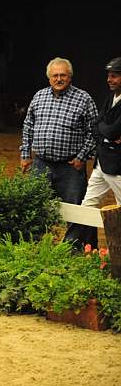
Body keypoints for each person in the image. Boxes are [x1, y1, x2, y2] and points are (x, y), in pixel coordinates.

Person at [19, 57, 97, 208]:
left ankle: (77, 233)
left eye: (63, 75)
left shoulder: (84, 99)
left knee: (76, 211)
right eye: (55, 76)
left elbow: (94, 131)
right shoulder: (39, 96)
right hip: (40, 164)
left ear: (70, 77)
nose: (59, 79)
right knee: (35, 209)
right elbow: (28, 125)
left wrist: (81, 157)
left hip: (71, 167)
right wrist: (25, 155)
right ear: (49, 78)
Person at [64, 57, 121, 249]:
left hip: (118, 167)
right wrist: (108, 134)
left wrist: (106, 132)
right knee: (87, 205)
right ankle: (73, 245)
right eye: (109, 76)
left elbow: (111, 131)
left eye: (114, 76)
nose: (109, 80)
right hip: (102, 163)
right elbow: (97, 127)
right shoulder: (110, 98)